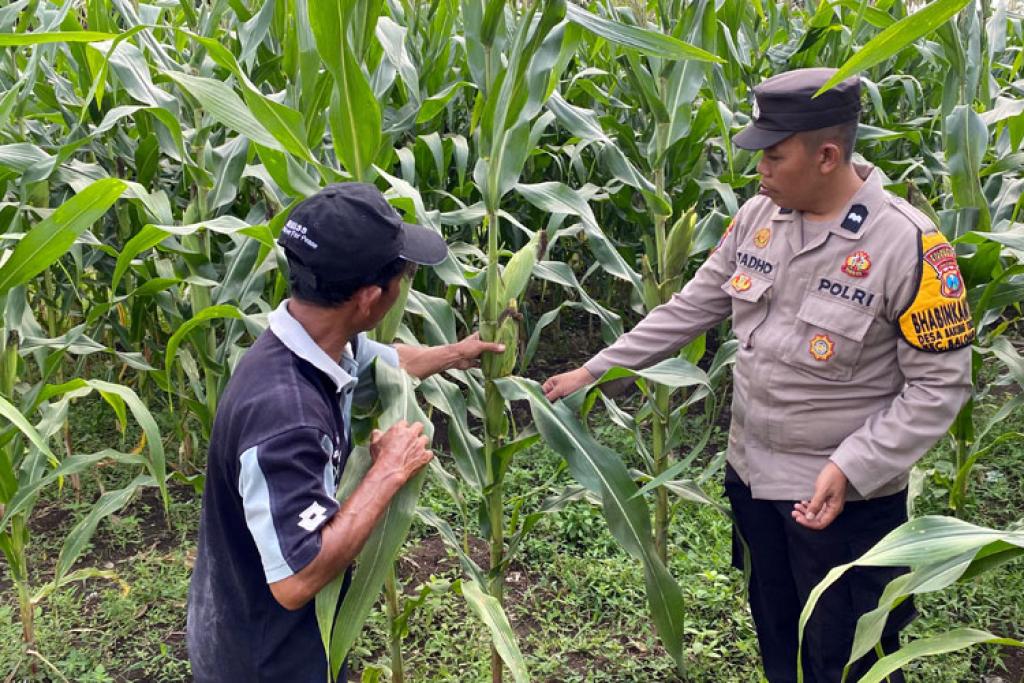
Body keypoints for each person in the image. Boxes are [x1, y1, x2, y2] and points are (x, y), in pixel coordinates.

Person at [542, 68, 973, 682]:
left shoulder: (908, 244)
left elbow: (940, 388)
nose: (759, 171)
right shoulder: (757, 218)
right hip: (753, 481)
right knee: (778, 634)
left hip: (844, 504)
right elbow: (692, 307)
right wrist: (595, 369)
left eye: (773, 156)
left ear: (827, 155)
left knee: (850, 656)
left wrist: (850, 465)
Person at [186, 182, 504, 683]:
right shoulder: (286, 417)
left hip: (260, 627)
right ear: (371, 298)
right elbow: (296, 578)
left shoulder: (308, 342)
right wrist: (386, 473)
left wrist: (456, 354)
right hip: (266, 661)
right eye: (402, 274)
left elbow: (387, 360)